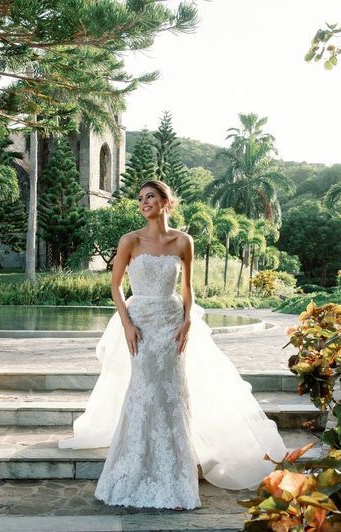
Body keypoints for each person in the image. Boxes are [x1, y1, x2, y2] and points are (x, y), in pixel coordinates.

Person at [58, 180, 286, 510]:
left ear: (166, 201)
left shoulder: (183, 241)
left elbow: (188, 287)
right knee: (142, 390)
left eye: (150, 196)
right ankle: (133, 470)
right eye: (140, 198)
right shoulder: (130, 240)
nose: (143, 202)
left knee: (173, 394)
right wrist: (127, 324)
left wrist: (188, 319)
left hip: (171, 322)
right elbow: (116, 287)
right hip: (141, 323)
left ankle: (176, 479)